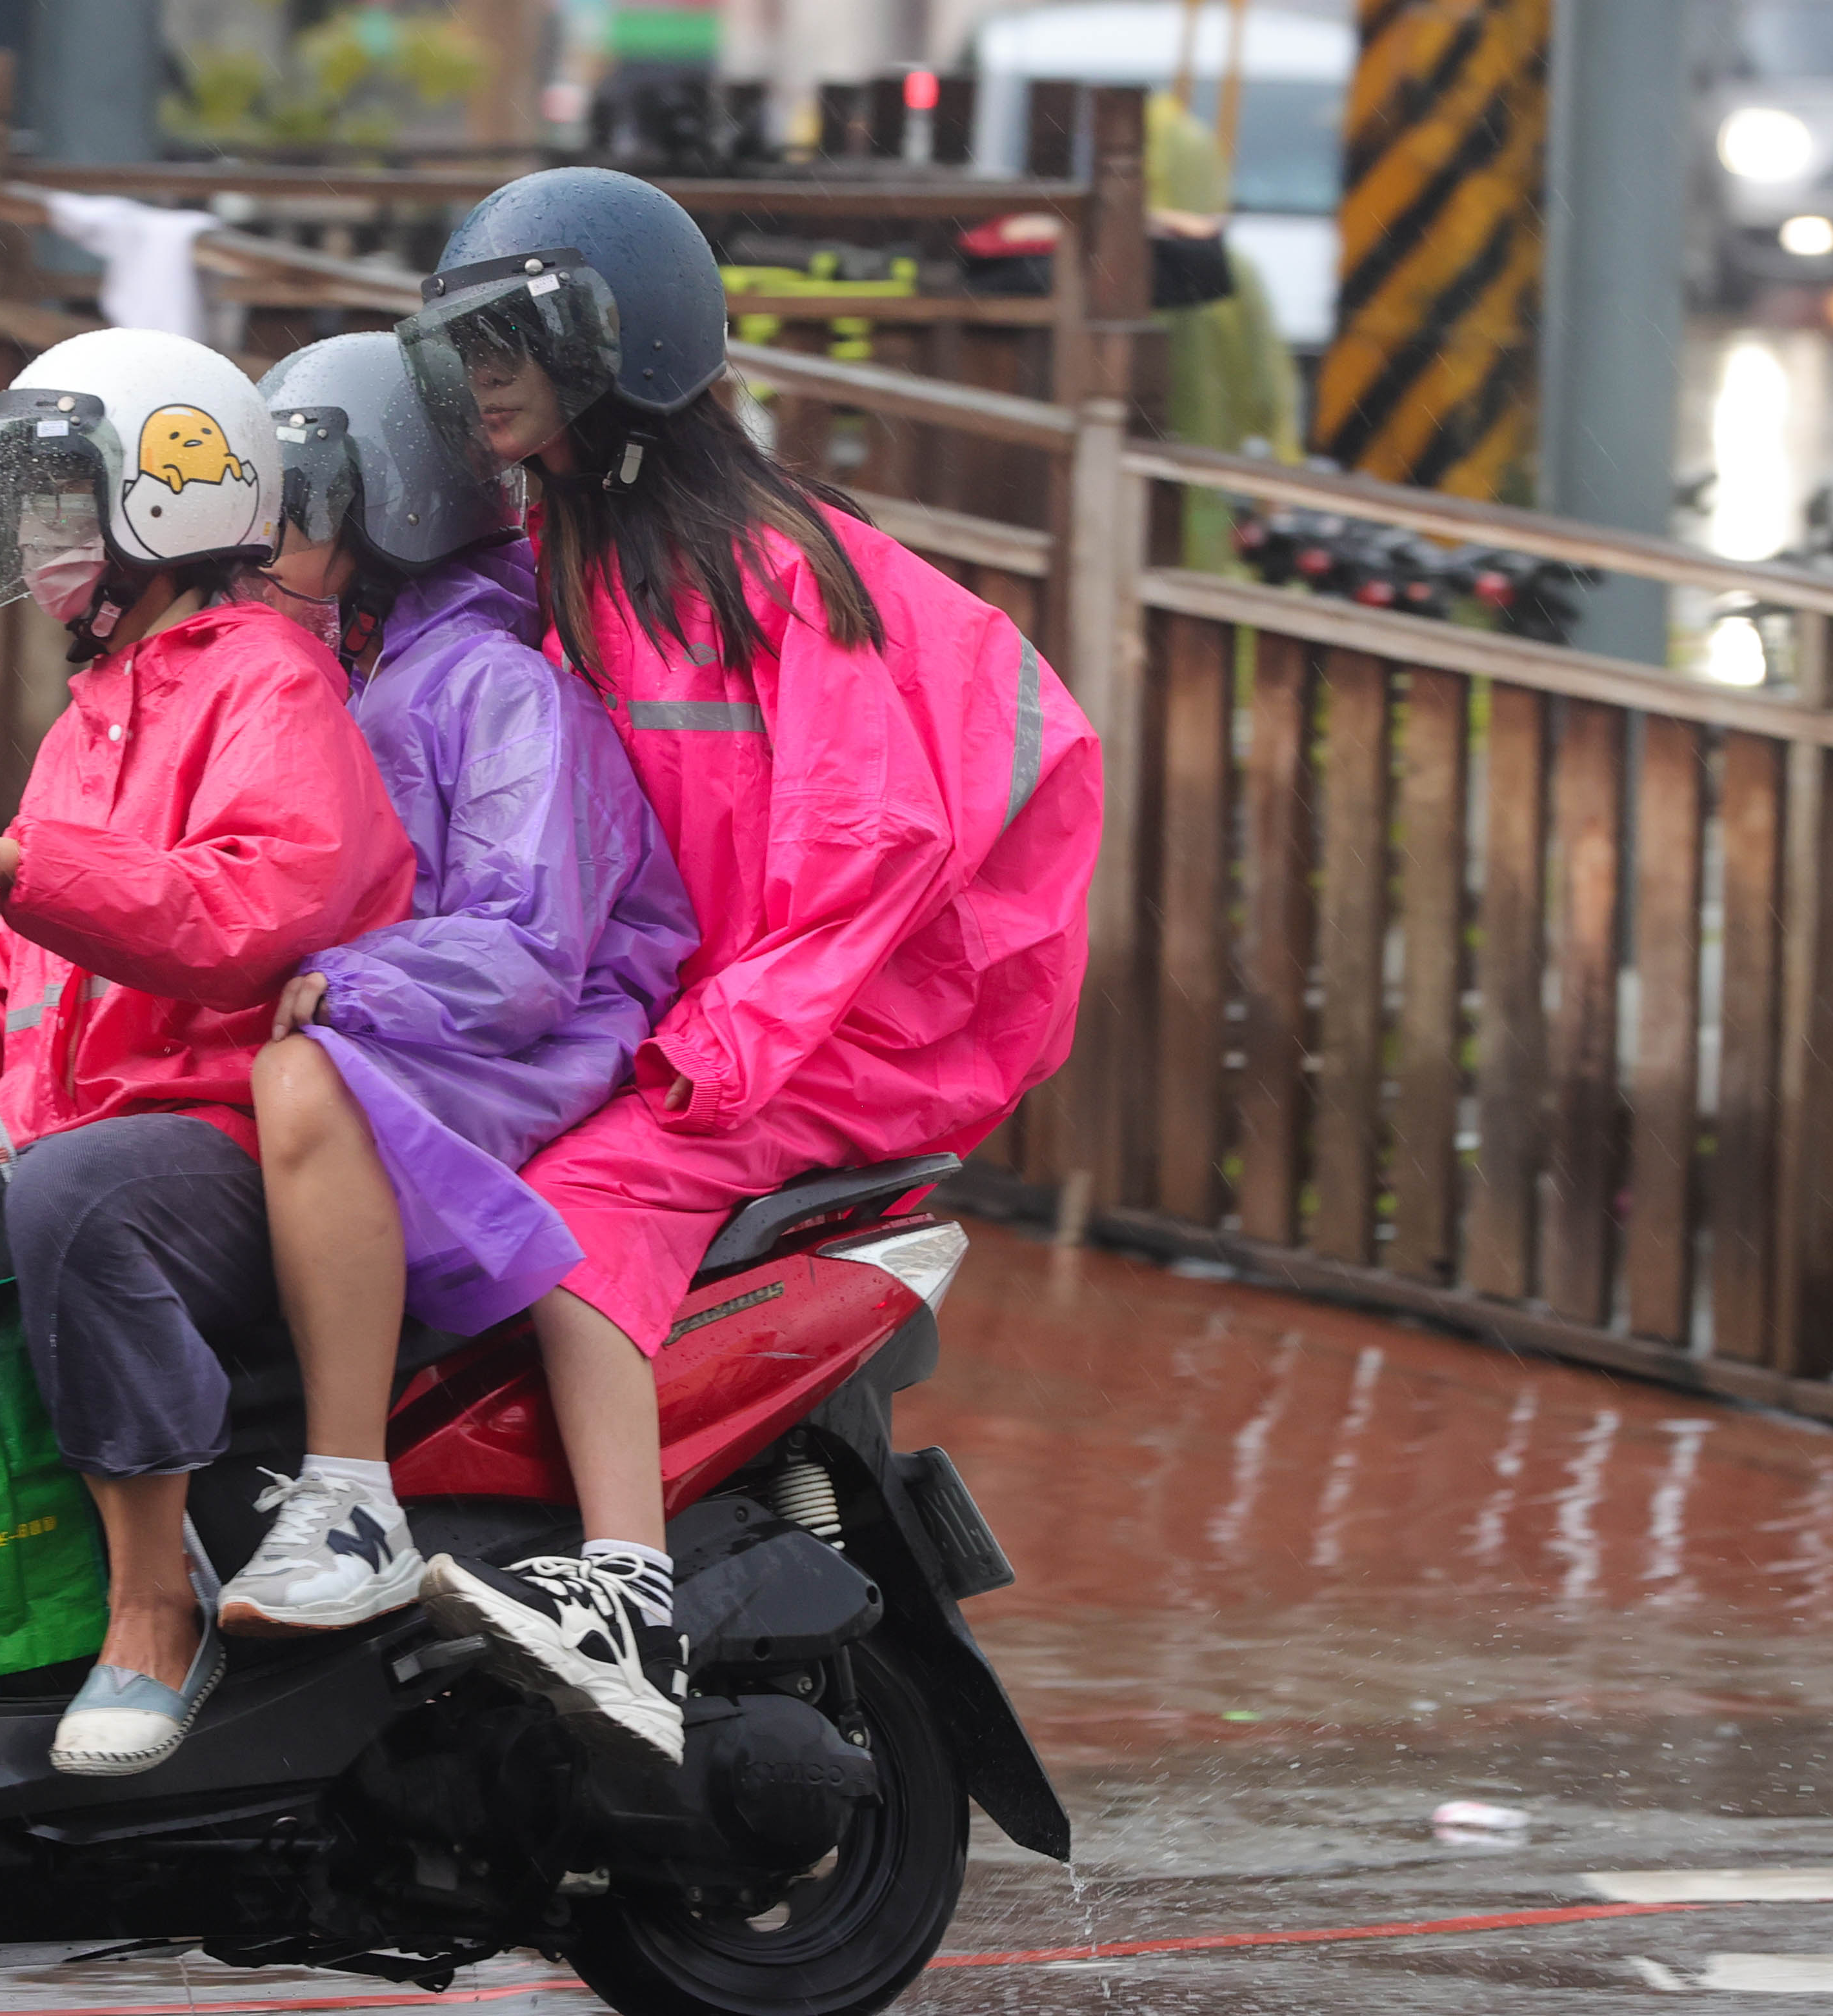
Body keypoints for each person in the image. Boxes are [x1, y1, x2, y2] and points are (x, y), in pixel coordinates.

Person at [390, 168, 1105, 1757]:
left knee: (577, 1200)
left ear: (622, 348)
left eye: (517, 336)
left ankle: (627, 1598)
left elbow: (875, 842)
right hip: (720, 993)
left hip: (860, 1018)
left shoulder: (770, 567)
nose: (485, 371)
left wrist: (724, 1046)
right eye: (468, 340)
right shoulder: (562, 558)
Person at [0, 328, 413, 1777]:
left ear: (166, 508)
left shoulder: (270, 688)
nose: (34, 539)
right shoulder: (86, 722)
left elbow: (243, 916)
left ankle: (156, 1606)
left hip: (230, 1148)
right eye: (22, 504)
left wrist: (18, 865)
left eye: (59, 502)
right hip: (88, 1132)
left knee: (73, 1195)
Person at [208, 334, 695, 1668]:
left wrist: (346, 985)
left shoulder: (495, 683)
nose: (266, 540)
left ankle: (348, 1494)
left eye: (298, 502)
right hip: (435, 1016)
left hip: (542, 1034)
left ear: (392, 505)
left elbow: (529, 944)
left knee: (301, 1077)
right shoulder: (358, 675)